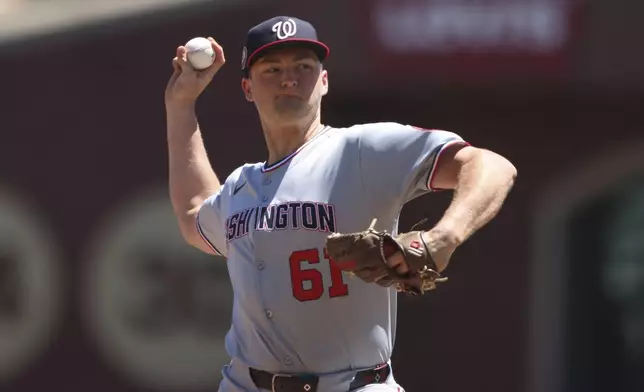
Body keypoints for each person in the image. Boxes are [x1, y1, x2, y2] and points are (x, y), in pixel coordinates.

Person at [164, 15, 517, 392]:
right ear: (248, 88)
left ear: (324, 81)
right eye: (272, 68)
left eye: (304, 67)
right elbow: (193, 216)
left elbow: (493, 166)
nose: (289, 78)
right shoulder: (241, 186)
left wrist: (443, 238)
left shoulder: (361, 150)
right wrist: (181, 104)